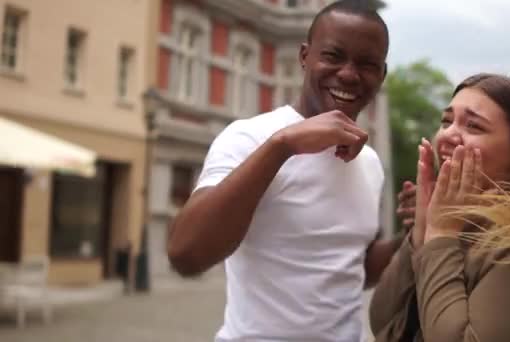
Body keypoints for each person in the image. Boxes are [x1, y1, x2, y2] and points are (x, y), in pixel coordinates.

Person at [168, 1, 401, 341]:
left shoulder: (368, 162)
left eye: (366, 64)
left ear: (381, 74)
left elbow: (352, 269)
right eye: (334, 56)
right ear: (305, 56)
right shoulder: (250, 138)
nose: (349, 74)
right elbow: (185, 256)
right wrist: (282, 147)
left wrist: (413, 233)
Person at [369, 73, 510, 342]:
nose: (449, 134)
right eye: (446, 121)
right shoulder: (458, 218)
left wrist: (440, 234)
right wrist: (421, 229)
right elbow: (383, 319)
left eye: (473, 126)